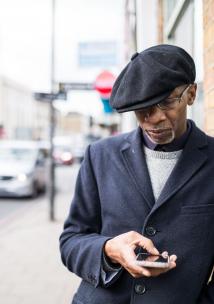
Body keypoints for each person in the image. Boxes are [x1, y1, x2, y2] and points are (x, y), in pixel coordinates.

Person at [59, 44, 214, 304]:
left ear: (192, 94)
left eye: (166, 102)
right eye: (142, 108)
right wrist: (109, 250)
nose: (153, 119)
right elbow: (71, 240)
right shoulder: (100, 156)